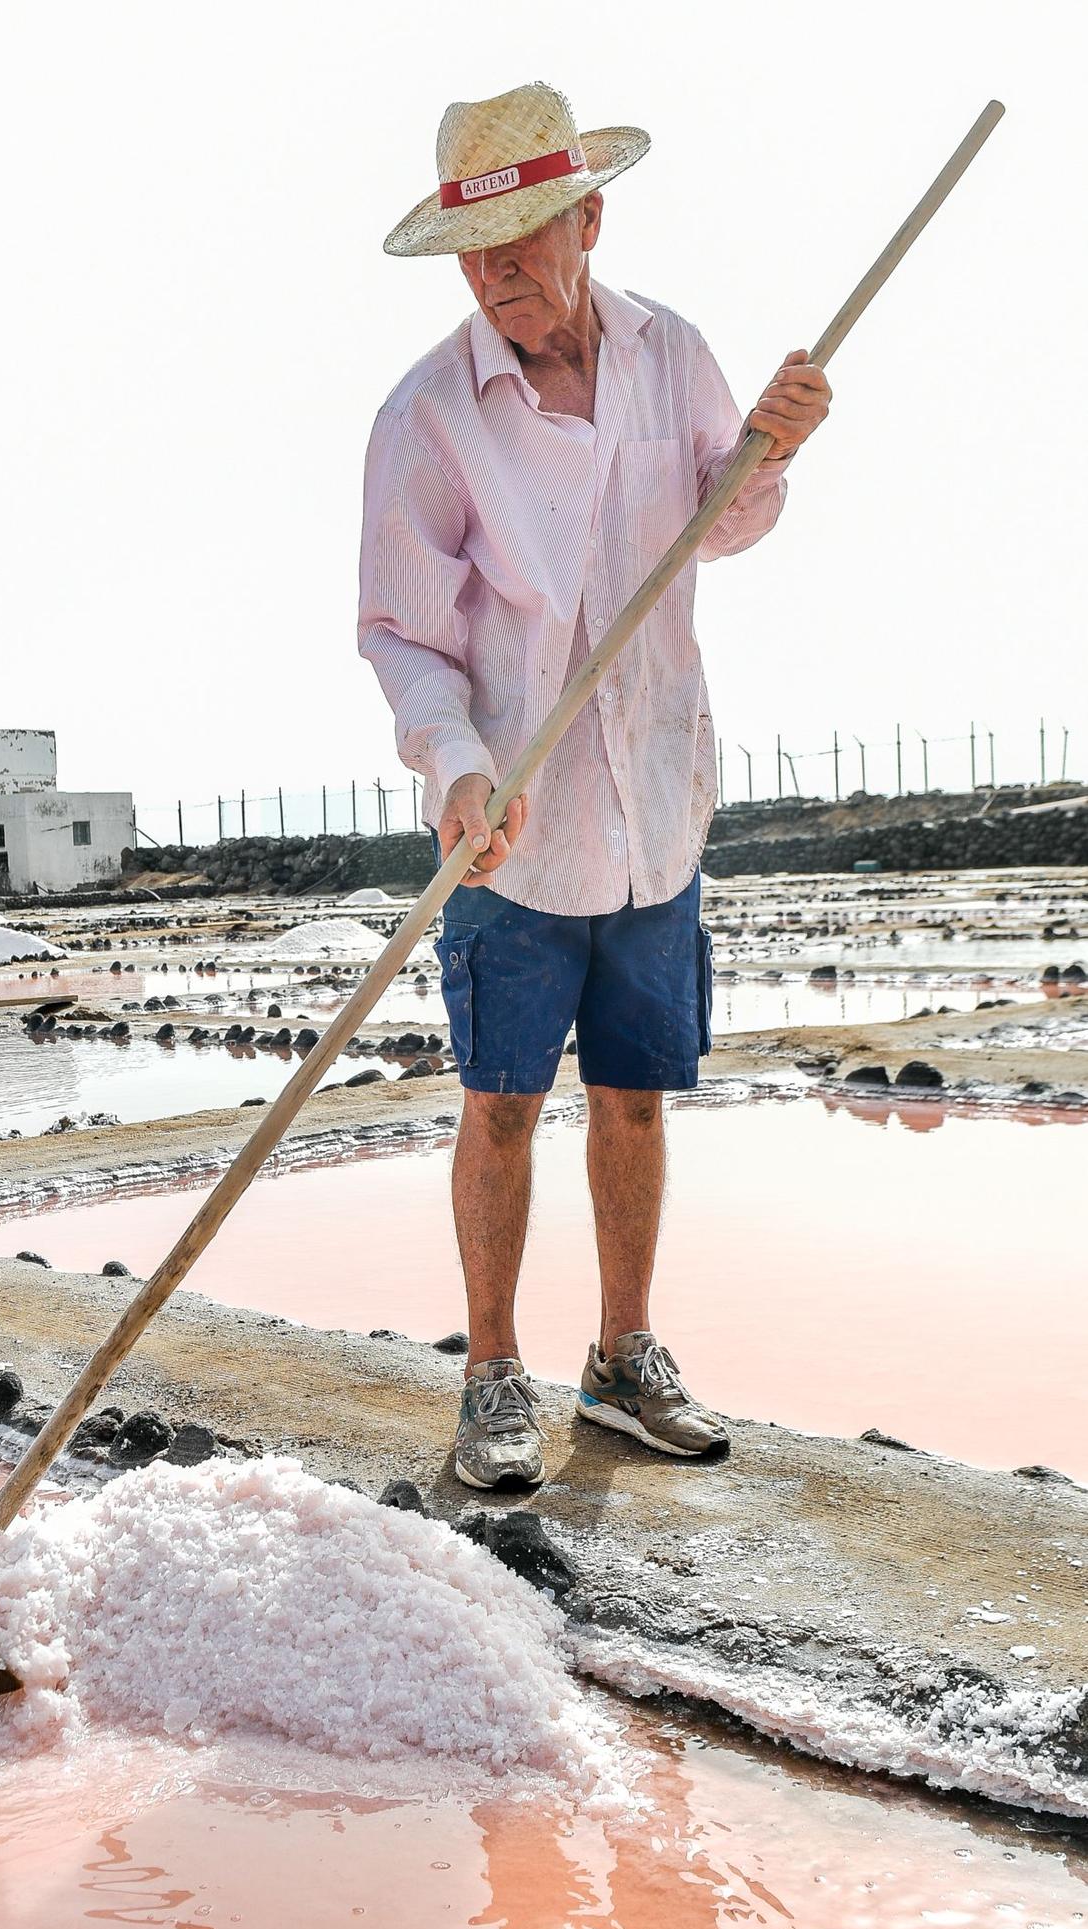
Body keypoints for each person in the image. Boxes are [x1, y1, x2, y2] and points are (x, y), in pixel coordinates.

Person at [359, 83, 830, 1489]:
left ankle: (623, 1359)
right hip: (510, 827)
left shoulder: (668, 351)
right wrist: (456, 766)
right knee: (501, 1100)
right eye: (474, 249)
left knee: (633, 1092)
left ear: (588, 218)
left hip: (654, 802)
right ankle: (491, 1375)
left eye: (519, 239)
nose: (497, 272)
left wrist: (771, 448)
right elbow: (402, 637)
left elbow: (719, 525)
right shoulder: (426, 417)